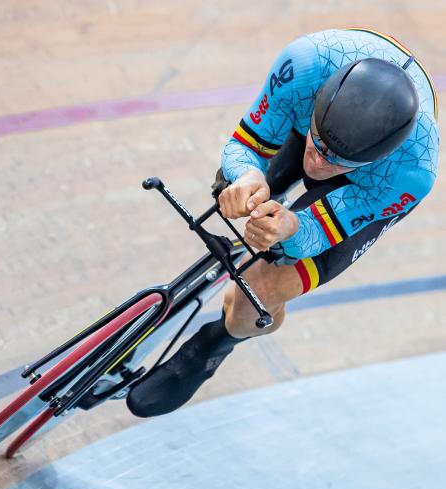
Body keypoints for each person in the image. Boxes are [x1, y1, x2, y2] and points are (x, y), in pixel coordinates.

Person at [126, 27, 439, 417]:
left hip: (362, 188)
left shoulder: (410, 174)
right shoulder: (305, 65)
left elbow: (315, 233)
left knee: (258, 293)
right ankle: (312, 143)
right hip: (305, 117)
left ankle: (215, 343)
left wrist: (291, 230)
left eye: (336, 159)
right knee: (238, 189)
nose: (317, 162)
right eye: (319, 143)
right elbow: (245, 146)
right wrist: (247, 176)